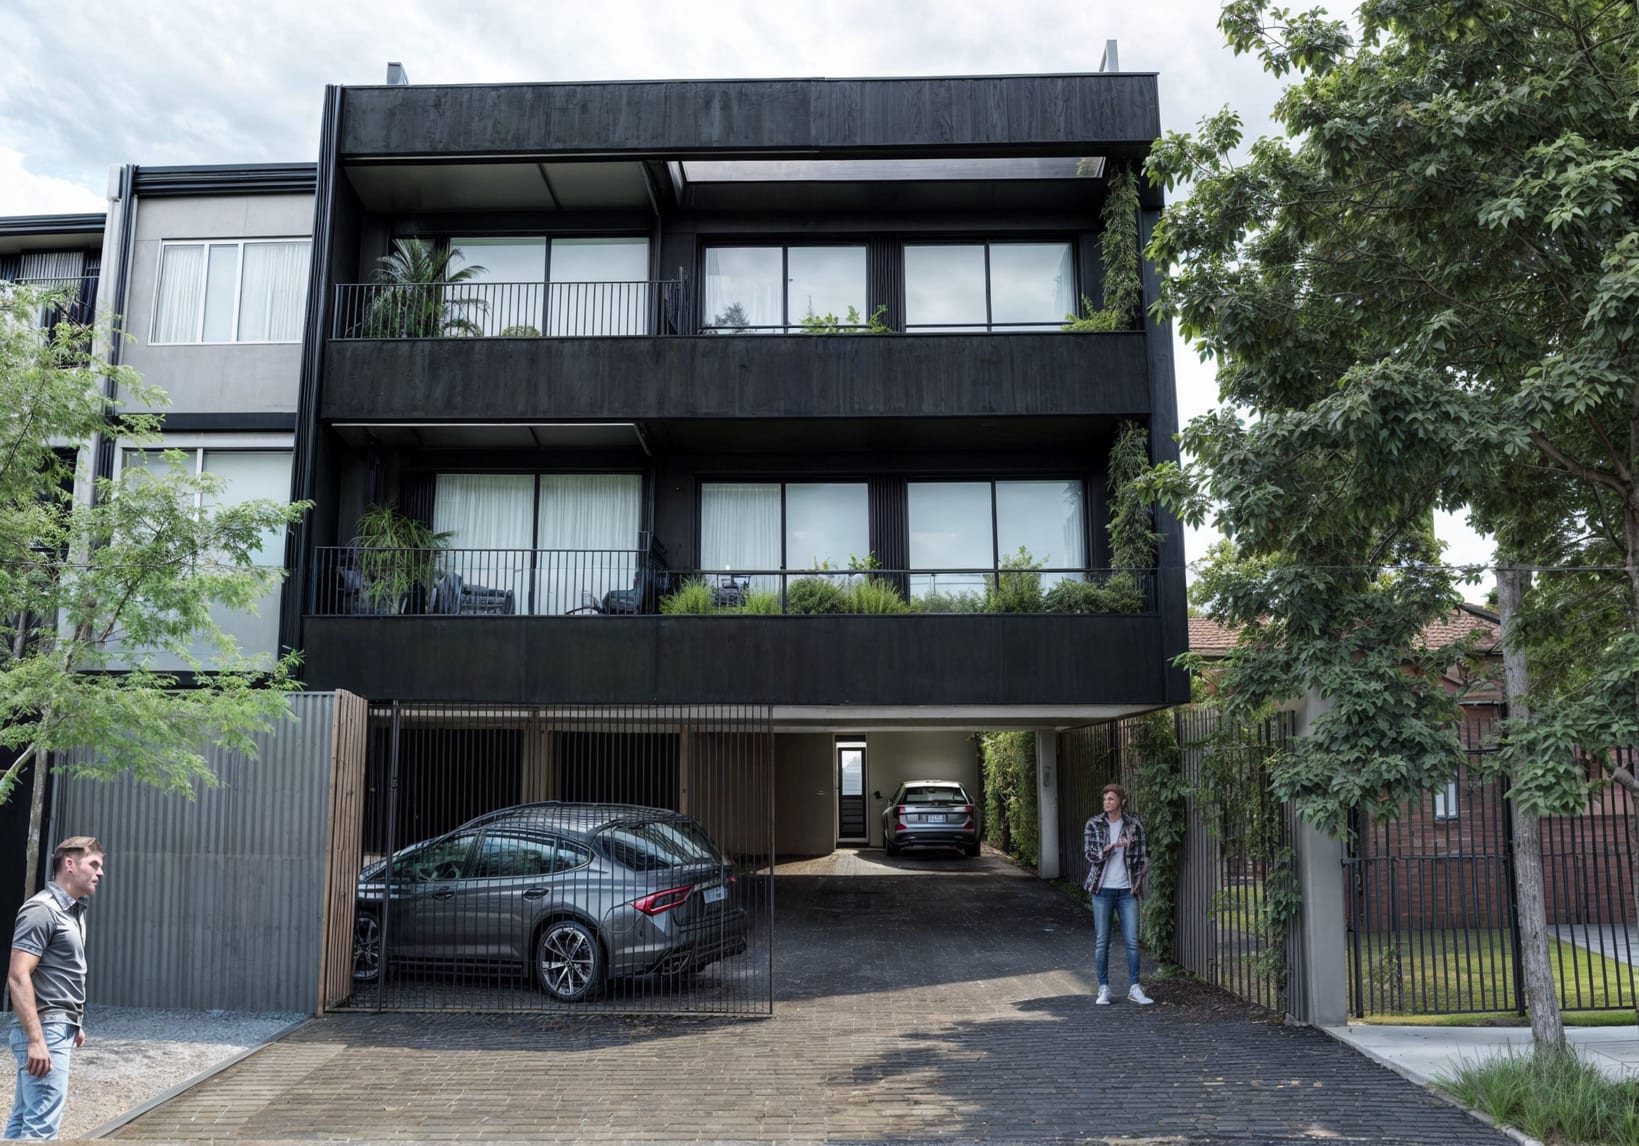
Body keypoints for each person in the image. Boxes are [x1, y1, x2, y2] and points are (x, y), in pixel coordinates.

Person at [6, 837, 104, 1140]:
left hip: (56, 1025)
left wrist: (73, 1021)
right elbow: (18, 975)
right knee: (41, 1130)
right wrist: (37, 1039)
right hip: (45, 1029)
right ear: (69, 864)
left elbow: (59, 974)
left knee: (23, 1121)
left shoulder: (72, 912)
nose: (100, 873)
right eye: (94, 864)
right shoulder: (42, 910)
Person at [1083, 785, 1152, 1006]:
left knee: (1132, 940)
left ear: (1121, 801)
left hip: (1126, 891)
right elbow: (1089, 854)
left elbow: (1144, 857)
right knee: (1102, 941)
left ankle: (1135, 987)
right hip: (1102, 890)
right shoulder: (1094, 824)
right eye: (1105, 799)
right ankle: (1103, 988)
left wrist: (1137, 882)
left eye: (1111, 799)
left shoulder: (1134, 826)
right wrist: (1107, 849)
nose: (1107, 802)